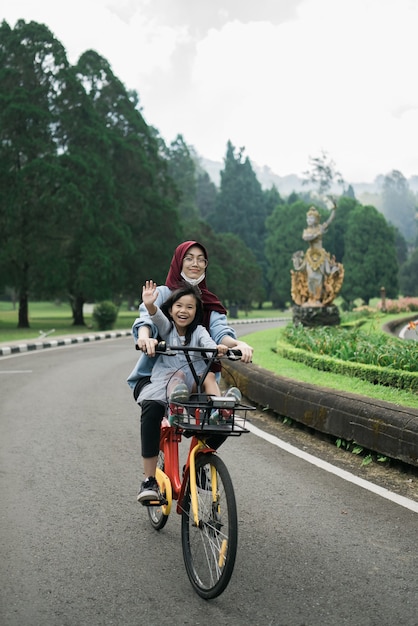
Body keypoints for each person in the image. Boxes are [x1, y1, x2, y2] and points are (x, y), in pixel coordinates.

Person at [127, 240, 253, 503]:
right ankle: (149, 480)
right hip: (157, 378)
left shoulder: (208, 303)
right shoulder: (162, 294)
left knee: (221, 419)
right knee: (151, 409)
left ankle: (197, 464)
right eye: (189, 258)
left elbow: (220, 335)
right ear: (179, 261)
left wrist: (237, 345)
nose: (195, 264)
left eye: (201, 259)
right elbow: (147, 320)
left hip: (198, 379)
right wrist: (146, 338)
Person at [137, 281, 234, 503]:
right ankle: (175, 408)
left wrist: (217, 350)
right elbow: (157, 318)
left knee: (209, 377)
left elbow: (209, 345)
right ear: (170, 309)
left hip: (194, 383)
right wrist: (151, 306)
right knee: (177, 378)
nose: (183, 311)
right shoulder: (167, 328)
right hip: (168, 383)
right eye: (179, 306)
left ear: (196, 312)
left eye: (190, 307)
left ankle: (221, 408)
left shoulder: (199, 331)